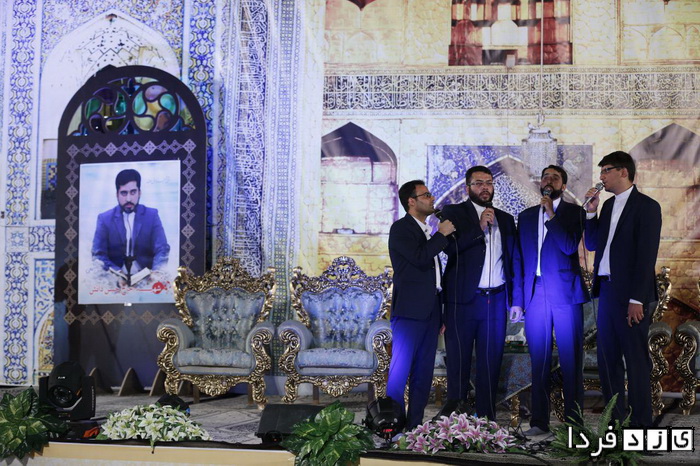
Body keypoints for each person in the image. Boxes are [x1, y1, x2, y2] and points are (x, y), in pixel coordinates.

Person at [583, 151, 662, 428]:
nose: (601, 176)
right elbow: (592, 244)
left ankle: (641, 425)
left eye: (606, 170)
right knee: (608, 360)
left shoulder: (647, 206)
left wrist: (637, 299)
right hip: (606, 292)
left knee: (636, 361)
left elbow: (646, 256)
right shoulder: (606, 206)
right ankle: (614, 422)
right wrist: (590, 212)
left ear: (623, 172)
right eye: (601, 171)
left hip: (631, 296)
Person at [511, 165, 588, 436]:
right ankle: (539, 423)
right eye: (545, 176)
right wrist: (518, 300)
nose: (549, 180)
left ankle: (573, 424)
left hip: (566, 293)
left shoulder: (575, 213)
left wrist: (551, 215)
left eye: (555, 178)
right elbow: (519, 259)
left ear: (563, 186)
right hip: (535, 294)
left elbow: (568, 246)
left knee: (570, 361)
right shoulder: (526, 216)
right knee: (539, 361)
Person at [439, 166, 518, 421]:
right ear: (468, 188)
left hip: (495, 301)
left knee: (490, 362)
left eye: (489, 182)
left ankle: (486, 419)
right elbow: (450, 249)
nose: (485, 187)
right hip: (463, 301)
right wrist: (479, 227)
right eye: (479, 183)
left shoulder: (505, 219)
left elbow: (513, 260)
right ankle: (454, 421)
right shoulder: (453, 213)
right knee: (459, 362)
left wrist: (515, 299)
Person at [386, 180, 456, 430]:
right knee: (400, 372)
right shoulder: (401, 229)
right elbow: (419, 258)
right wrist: (441, 235)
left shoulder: (428, 230)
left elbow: (435, 276)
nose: (432, 198)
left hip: (431, 311)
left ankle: (414, 427)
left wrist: (442, 313)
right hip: (409, 312)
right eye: (426, 195)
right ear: (411, 201)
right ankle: (392, 427)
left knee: (424, 373)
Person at [92, 169, 170, 283]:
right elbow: (98, 254)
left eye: (133, 192)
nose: (128, 199)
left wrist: (157, 272)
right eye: (124, 193)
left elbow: (162, 248)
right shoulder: (104, 218)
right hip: (114, 278)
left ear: (140, 192)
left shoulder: (152, 215)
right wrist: (116, 274)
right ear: (117, 194)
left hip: (146, 277)